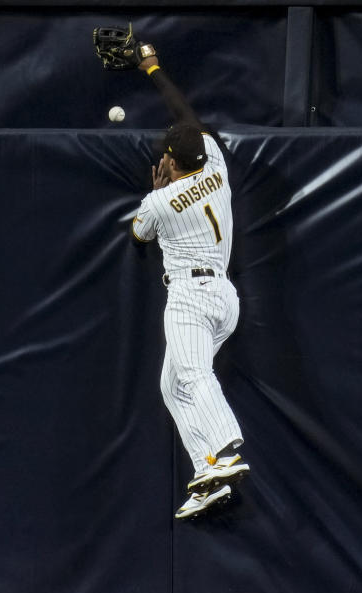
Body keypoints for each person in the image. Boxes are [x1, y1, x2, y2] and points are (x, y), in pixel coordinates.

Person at [129, 51, 250, 520]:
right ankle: (208, 472)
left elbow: (138, 235)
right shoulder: (216, 165)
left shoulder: (163, 200)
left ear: (172, 162)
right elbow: (188, 116)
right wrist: (153, 67)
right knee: (171, 386)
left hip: (189, 301)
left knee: (195, 376)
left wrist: (157, 191)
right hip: (225, 300)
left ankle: (226, 449)